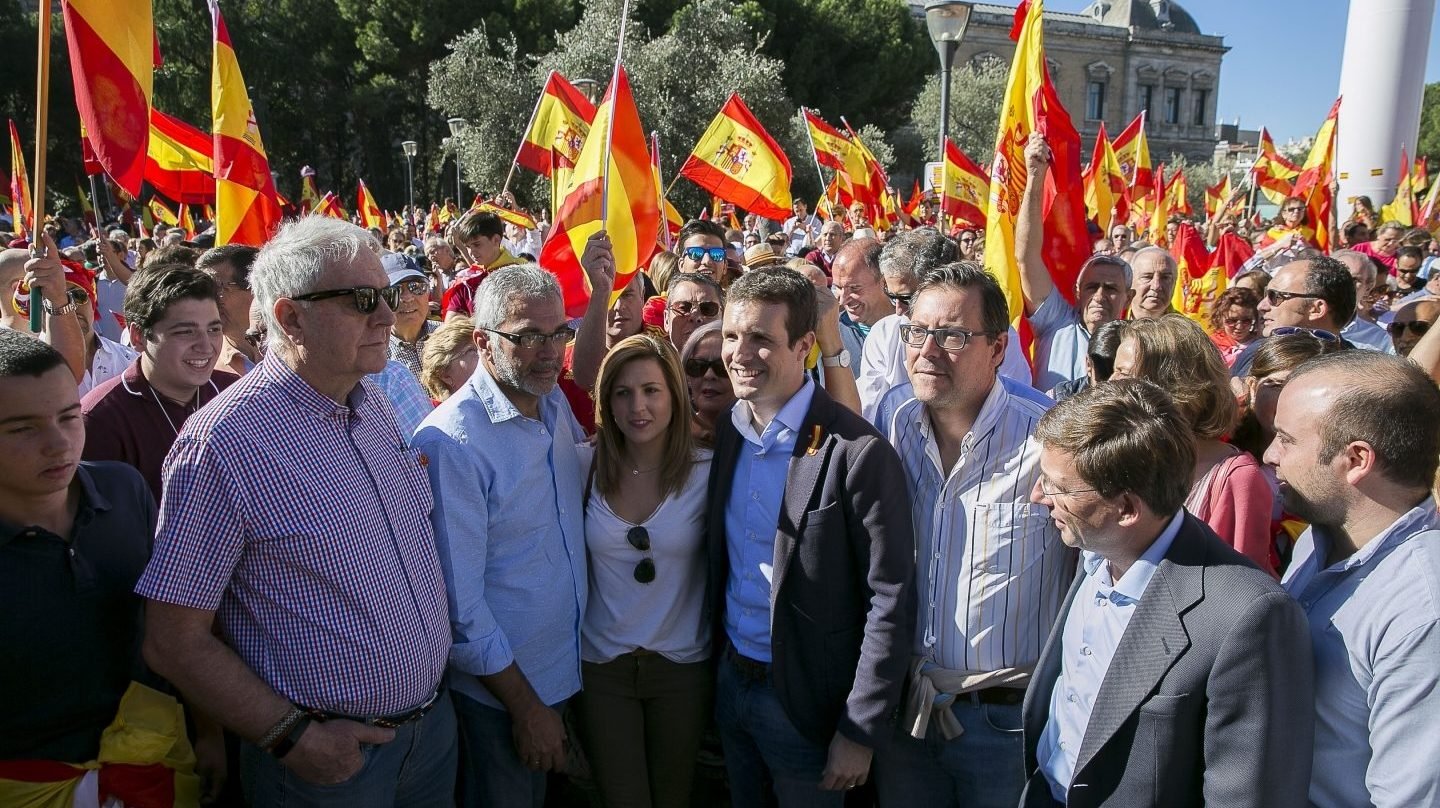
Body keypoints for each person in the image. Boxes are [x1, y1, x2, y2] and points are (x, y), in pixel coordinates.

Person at [135, 216, 456, 805]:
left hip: (430, 735)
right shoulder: (226, 443)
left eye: (386, 295)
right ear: (289, 317)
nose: (387, 315)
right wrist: (291, 737)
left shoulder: (374, 404)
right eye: (362, 300)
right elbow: (173, 639)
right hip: (327, 763)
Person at [1022, 378, 1314, 808]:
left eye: (1058, 487)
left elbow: (1245, 796)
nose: (1038, 497)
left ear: (1126, 508)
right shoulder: (1096, 555)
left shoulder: (1246, 617)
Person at [413, 242, 613, 807]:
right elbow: (460, 605)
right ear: (482, 341)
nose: (549, 352)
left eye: (559, 334)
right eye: (527, 336)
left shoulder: (549, 404)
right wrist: (525, 707)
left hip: (560, 677)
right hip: (503, 702)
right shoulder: (452, 444)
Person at [707, 267, 915, 806]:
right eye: (732, 336)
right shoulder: (729, 431)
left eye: (760, 339)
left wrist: (859, 728)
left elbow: (889, 599)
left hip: (806, 708)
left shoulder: (856, 452)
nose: (739, 353)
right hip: (732, 685)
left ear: (804, 346)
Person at [872, 264, 1069, 808]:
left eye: (954, 336)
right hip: (906, 714)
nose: (928, 350)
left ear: (999, 348)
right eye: (917, 332)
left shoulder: (1051, 440)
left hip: (1006, 726)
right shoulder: (892, 421)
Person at [1267, 352, 1440, 808]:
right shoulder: (1319, 537)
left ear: (1357, 459)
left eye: (1286, 439)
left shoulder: (1423, 611)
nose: (1269, 455)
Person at [0, 331, 166, 766]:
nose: (58, 443)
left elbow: (168, 626)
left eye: (70, 417)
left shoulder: (125, 489)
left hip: (152, 758)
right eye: (23, 428)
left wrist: (205, 733)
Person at [572, 334, 714, 808]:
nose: (639, 406)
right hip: (602, 669)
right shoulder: (582, 464)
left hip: (682, 667)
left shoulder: (709, 469)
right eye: (623, 392)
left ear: (675, 394)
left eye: (652, 390)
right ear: (607, 403)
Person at [1112, 315, 1278, 576]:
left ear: (1169, 385)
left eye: (1123, 373)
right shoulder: (1121, 456)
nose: (1109, 383)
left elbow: (1241, 591)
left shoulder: (1236, 479)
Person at [81, 264, 237, 501]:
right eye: (186, 332)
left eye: (214, 329)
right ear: (138, 336)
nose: (206, 346)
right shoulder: (101, 420)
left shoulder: (235, 393)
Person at [1018, 134, 1137, 391]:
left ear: (1128, 297)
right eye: (1092, 287)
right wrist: (1035, 177)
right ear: (1077, 292)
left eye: (1111, 288)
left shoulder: (1137, 344)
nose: (1100, 295)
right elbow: (1027, 257)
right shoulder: (1056, 321)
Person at [1233, 254, 1357, 376]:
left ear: (1317, 309)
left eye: (1275, 296)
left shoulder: (1359, 374)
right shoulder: (1255, 354)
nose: (1261, 306)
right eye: (1266, 294)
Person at [442, 210, 524, 320]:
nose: (471, 252)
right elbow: (451, 323)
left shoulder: (522, 275)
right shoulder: (467, 281)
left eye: (477, 244)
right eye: (468, 247)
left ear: (496, 240)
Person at [197, 244, 261, 375]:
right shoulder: (201, 364)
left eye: (216, 289)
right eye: (201, 292)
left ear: (255, 288)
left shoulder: (300, 346)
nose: (207, 301)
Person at [830, 237, 888, 374]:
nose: (843, 300)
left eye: (854, 288)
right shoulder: (831, 334)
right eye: (838, 287)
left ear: (884, 282)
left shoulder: (912, 330)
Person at [680, 321, 735, 448]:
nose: (709, 375)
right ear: (687, 377)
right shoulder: (670, 436)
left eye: (721, 366)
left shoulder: (756, 436)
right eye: (698, 366)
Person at [384, 252, 437, 380]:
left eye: (417, 287)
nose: (407, 298)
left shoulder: (448, 335)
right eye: (396, 290)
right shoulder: (375, 355)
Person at [1331, 250, 1395, 352]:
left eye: (1354, 280)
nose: (1342, 283)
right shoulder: (1301, 324)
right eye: (1336, 277)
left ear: (1368, 287)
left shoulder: (1379, 340)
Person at [419, 315, 478, 402]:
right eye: (471, 350)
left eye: (482, 347)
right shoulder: (443, 415)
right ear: (445, 376)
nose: (484, 354)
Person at [664, 272, 724, 353]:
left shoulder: (737, 364)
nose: (695, 317)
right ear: (666, 320)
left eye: (708, 309)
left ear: (724, 317)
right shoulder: (650, 364)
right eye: (683, 308)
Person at [1206, 286, 1261, 367]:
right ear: (1220, 318)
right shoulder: (1210, 346)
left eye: (1246, 320)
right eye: (1232, 321)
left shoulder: (1260, 344)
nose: (1239, 327)